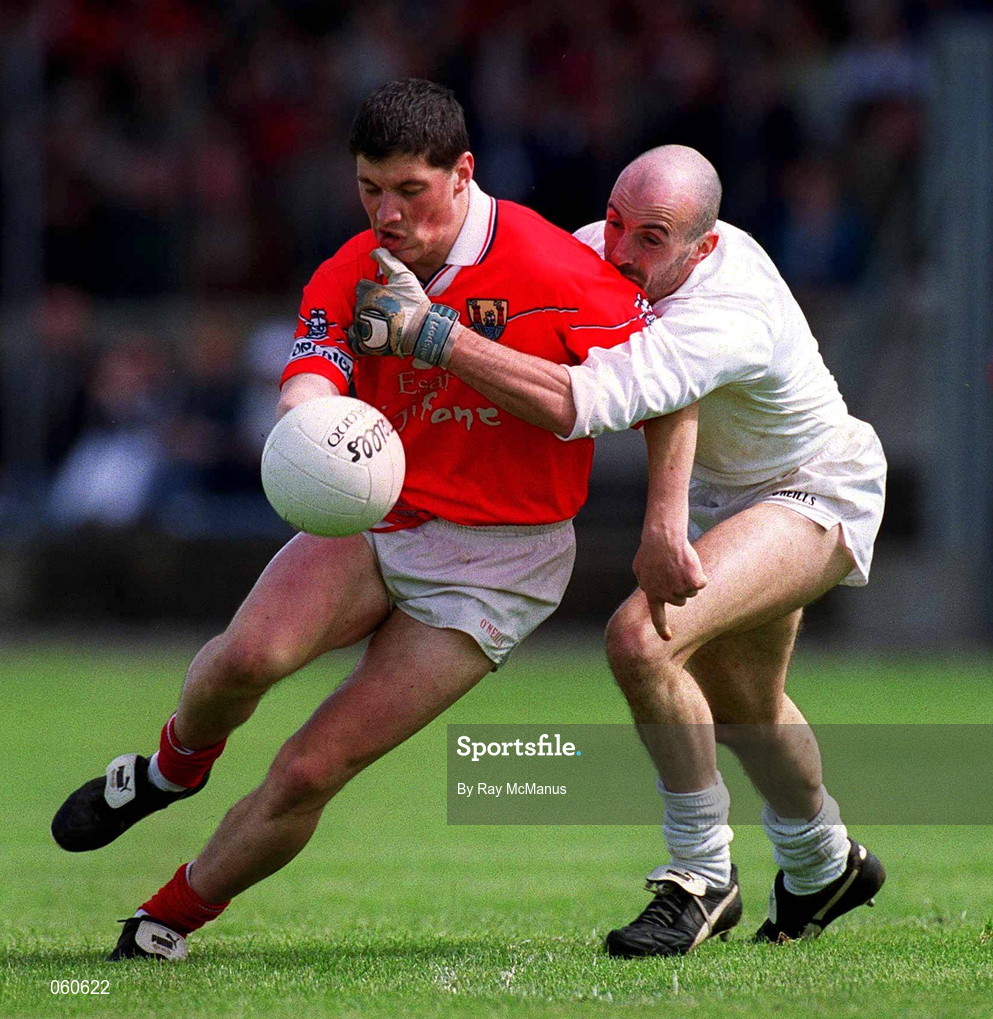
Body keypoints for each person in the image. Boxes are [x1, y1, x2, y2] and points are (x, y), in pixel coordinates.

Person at [50, 79, 679, 961]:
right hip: (378, 518)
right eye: (369, 190)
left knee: (312, 766)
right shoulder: (351, 270)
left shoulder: (556, 272)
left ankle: (167, 919)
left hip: (500, 561)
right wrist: (307, 430)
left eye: (408, 191)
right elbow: (313, 373)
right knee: (247, 658)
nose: (386, 214)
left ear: (462, 174)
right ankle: (167, 771)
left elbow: (669, 394)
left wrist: (664, 523)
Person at [349, 144, 888, 957]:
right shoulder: (599, 253)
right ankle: (825, 862)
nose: (618, 252)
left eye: (651, 238)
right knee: (748, 712)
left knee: (640, 640)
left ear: (702, 246)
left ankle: (700, 876)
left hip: (811, 488)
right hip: (723, 496)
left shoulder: (723, 312)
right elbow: (501, 261)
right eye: (614, 222)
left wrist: (430, 333)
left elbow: (580, 404)